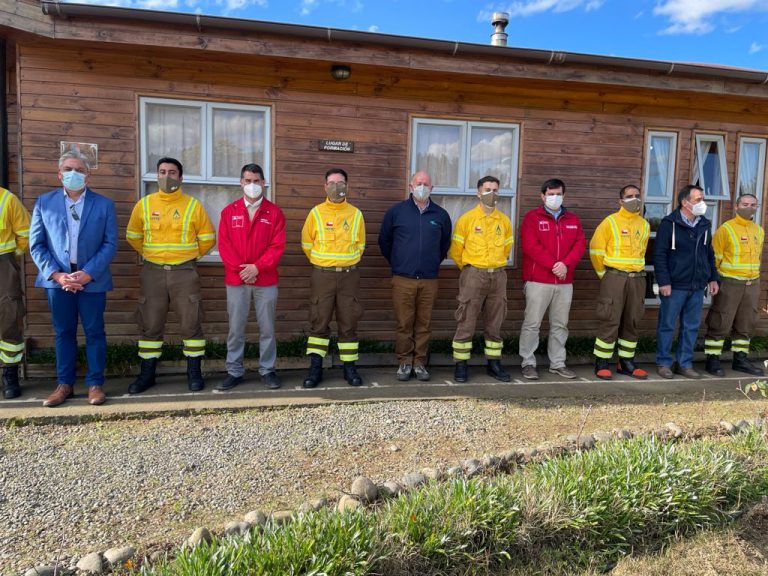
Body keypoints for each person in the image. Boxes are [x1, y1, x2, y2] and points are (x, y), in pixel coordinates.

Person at [29, 151, 117, 407]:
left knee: (95, 333)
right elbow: (36, 245)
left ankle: (95, 384)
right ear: (59, 174)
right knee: (64, 332)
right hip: (58, 282)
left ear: (87, 175)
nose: (73, 174)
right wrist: (58, 275)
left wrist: (88, 273)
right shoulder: (44, 203)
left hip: (93, 279)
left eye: (78, 169)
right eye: (68, 169)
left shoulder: (104, 204)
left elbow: (110, 243)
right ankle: (64, 384)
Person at [126, 157, 216, 393]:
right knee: (150, 325)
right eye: (162, 172)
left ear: (181, 177)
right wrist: (150, 254)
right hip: (152, 272)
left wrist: (189, 257)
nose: (167, 176)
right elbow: (132, 236)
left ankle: (194, 373)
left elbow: (208, 238)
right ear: (156, 175)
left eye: (172, 172)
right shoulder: (144, 205)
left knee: (191, 325)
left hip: (184, 273)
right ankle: (147, 375)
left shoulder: (193, 205)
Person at [216, 163, 286, 391]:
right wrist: (243, 271)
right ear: (241, 182)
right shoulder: (229, 212)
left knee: (267, 329)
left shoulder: (275, 213)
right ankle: (234, 371)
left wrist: (257, 267)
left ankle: (267, 370)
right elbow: (224, 246)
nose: (252, 185)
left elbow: (277, 246)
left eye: (257, 181)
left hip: (265, 280)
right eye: (248, 180)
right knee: (236, 329)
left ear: (264, 183)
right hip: (236, 281)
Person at [378, 171, 451, 381]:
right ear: (410, 186)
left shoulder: (440, 215)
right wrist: (398, 263)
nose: (422, 186)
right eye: (418, 183)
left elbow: (444, 244)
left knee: (424, 324)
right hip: (403, 278)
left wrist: (430, 263)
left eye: (426, 183)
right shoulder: (397, 212)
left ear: (432, 188)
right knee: (404, 323)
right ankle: (404, 362)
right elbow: (385, 242)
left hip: (429, 279)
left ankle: (419, 363)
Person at [300, 168, 366, 388]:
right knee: (319, 322)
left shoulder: (356, 214)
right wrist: (323, 264)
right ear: (324, 186)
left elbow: (361, 245)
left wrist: (346, 262)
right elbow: (307, 244)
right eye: (331, 182)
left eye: (340, 182)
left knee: (349, 323)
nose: (336, 186)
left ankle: (350, 369)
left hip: (349, 276)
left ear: (347, 186)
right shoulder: (316, 213)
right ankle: (315, 369)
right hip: (322, 276)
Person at [518, 178, 586, 380]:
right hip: (538, 280)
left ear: (564, 195)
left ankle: (557, 363)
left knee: (560, 324)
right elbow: (530, 246)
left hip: (564, 282)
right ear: (542, 196)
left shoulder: (573, 219)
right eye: (550, 194)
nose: (554, 197)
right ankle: (528, 362)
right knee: (532, 323)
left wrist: (565, 265)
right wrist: (554, 265)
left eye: (558, 194)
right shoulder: (532, 217)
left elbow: (580, 244)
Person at [449, 175, 514, 383]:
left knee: (495, 322)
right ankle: (461, 364)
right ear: (478, 193)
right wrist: (470, 269)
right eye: (487, 190)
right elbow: (456, 251)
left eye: (495, 190)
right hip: (473, 275)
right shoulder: (467, 219)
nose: (491, 194)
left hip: (498, 276)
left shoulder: (504, 221)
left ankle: (493, 363)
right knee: (466, 320)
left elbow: (506, 248)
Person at [653, 184, 719, 379]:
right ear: (685, 202)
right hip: (674, 286)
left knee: (691, 327)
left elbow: (709, 254)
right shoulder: (668, 224)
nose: (702, 203)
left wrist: (713, 278)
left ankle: (685, 364)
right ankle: (664, 363)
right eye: (698, 200)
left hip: (697, 286)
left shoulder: (704, 224)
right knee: (667, 325)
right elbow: (659, 255)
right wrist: (664, 281)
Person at [589, 184, 650, 380]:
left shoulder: (644, 225)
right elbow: (596, 250)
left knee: (632, 320)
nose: (634, 199)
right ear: (621, 201)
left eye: (637, 195)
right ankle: (602, 362)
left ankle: (626, 362)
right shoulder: (610, 222)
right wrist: (605, 276)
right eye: (629, 196)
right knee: (610, 319)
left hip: (637, 279)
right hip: (614, 277)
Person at [703, 194, 764, 377]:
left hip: (752, 283)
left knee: (746, 323)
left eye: (753, 204)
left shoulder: (758, 230)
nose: (749, 207)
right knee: (720, 321)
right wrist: (715, 280)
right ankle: (712, 361)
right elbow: (715, 258)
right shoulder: (726, 229)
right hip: (730, 283)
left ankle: (740, 360)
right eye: (745, 204)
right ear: (736, 206)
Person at [0, 185, 31, 399]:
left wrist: (12, 258)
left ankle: (9, 374)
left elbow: (27, 233)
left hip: (3, 262)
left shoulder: (7, 199)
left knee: (9, 317)